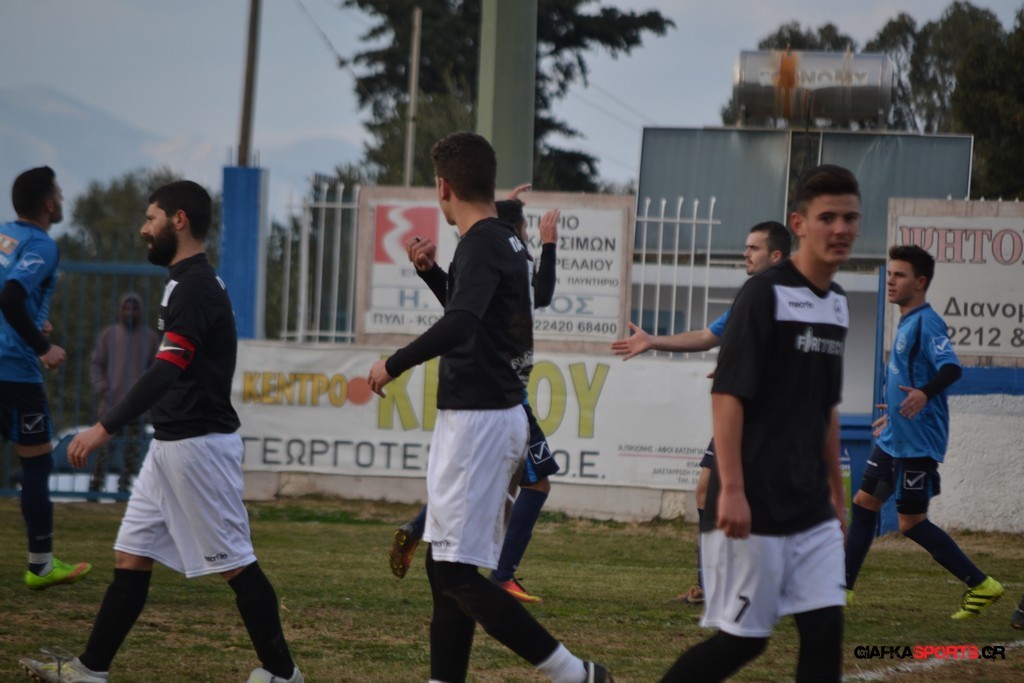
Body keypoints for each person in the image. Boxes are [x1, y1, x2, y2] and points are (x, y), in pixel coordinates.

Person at [20, 180, 303, 683]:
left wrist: (102, 428)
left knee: (236, 564)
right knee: (131, 555)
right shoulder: (184, 283)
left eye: (150, 218)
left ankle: (283, 674)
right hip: (170, 445)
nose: (142, 229)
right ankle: (90, 670)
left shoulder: (194, 287)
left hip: (198, 447)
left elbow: (168, 368)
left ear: (179, 220)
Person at [368, 132, 611, 683]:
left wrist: (394, 363)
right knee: (443, 570)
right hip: (485, 415)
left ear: (443, 188)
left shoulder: (480, 243)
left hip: (479, 420)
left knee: (456, 576)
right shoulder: (504, 239)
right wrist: (432, 274)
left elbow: (460, 324)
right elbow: (473, 314)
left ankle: (575, 674)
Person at [660, 164, 860, 683]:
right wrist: (731, 490)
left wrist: (836, 496)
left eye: (850, 218)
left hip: (810, 506)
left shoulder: (837, 304)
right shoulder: (763, 294)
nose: (841, 228)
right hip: (757, 501)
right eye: (828, 217)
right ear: (799, 224)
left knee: (825, 632)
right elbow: (727, 394)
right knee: (743, 642)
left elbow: (825, 406)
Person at [390, 183, 561, 604]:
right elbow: (534, 296)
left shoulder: (497, 251)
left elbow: (462, 308)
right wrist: (550, 244)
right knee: (536, 485)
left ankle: (421, 530)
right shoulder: (509, 253)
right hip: (503, 397)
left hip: (498, 396)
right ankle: (502, 576)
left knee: (479, 488)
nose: (525, 234)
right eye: (524, 228)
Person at [611, 221, 791, 605]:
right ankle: (710, 585)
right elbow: (708, 336)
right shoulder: (750, 297)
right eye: (746, 246)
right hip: (740, 410)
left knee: (758, 501)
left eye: (754, 248)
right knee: (706, 488)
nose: (745, 253)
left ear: (776, 255)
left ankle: (761, 583)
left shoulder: (789, 299)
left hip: (768, 418)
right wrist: (653, 341)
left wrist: (745, 371)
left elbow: (795, 359)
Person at [844, 245, 1004, 619]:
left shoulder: (927, 322)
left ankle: (982, 585)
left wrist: (923, 395)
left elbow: (951, 368)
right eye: (889, 274)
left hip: (916, 444)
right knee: (864, 504)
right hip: (894, 439)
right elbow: (909, 376)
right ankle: (841, 590)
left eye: (899, 275)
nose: (891, 281)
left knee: (911, 523)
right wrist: (895, 412)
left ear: (920, 282)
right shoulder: (906, 321)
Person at [0, 166, 91, 590]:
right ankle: (40, 565)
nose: (63, 200)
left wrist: (35, 323)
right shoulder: (42, 245)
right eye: (60, 194)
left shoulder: (4, 235)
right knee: (36, 464)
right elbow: (11, 296)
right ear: (49, 204)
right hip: (15, 373)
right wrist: (41, 346)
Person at [88, 292, 159, 495]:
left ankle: (124, 491)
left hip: (138, 408)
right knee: (103, 449)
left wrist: (148, 395)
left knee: (132, 453)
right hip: (111, 405)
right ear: (120, 310)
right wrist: (103, 387)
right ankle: (94, 489)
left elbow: (157, 369)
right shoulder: (108, 335)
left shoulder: (150, 338)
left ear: (140, 311)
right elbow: (96, 364)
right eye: (126, 308)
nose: (130, 312)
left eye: (134, 308)